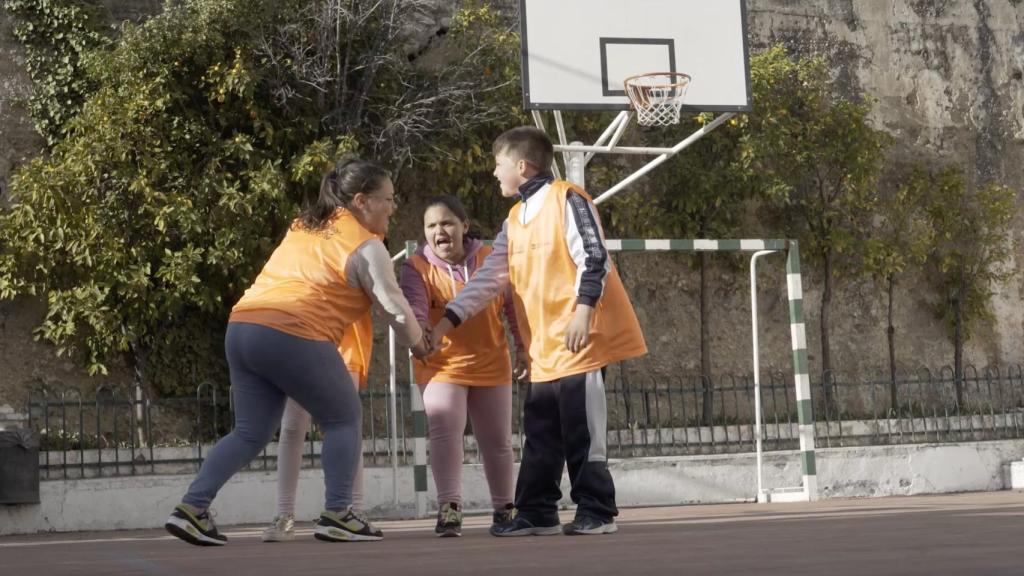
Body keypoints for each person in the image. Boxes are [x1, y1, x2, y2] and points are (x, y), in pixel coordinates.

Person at [164, 157, 428, 546]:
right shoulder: (366, 245)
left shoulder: (305, 226)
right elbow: (393, 306)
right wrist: (419, 343)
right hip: (293, 330)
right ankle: (339, 513)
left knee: (250, 433)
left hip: (242, 326)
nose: (393, 207)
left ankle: (192, 508)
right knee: (344, 418)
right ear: (361, 201)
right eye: (387, 199)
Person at [429, 126, 647, 537]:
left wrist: (583, 312)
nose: (494, 172)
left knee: (583, 429)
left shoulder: (568, 198)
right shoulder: (514, 219)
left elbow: (594, 256)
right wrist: (446, 321)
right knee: (542, 432)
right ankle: (537, 511)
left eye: (498, 164)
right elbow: (488, 279)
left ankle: (596, 510)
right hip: (546, 348)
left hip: (582, 340)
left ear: (522, 166)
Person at [400, 195, 526, 537]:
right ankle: (450, 507)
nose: (439, 231)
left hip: (491, 360)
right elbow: (415, 306)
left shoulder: (490, 259)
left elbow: (514, 307)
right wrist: (423, 332)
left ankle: (504, 508)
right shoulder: (416, 267)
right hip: (440, 364)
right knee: (444, 432)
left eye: (447, 223)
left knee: (497, 440)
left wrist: (523, 348)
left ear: (464, 226)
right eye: (431, 226)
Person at [261, 313, 374, 542]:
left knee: (348, 425)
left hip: (345, 341)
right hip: (303, 335)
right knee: (293, 426)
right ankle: (284, 515)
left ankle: (355, 510)